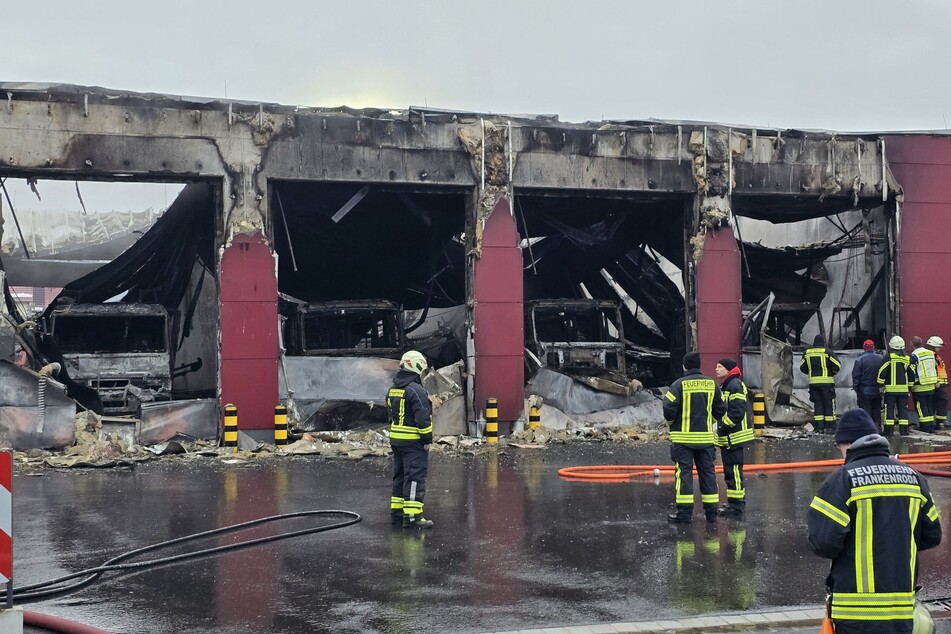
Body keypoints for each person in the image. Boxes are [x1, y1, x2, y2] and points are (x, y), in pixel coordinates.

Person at [807, 408, 942, 634]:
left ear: (846, 444)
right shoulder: (913, 478)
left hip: (855, 614)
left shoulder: (842, 480)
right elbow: (932, 535)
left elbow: (822, 542)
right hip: (902, 611)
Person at [663, 352, 726, 524]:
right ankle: (712, 513)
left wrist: (671, 423)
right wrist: (710, 420)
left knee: (684, 474)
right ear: (699, 365)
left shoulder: (677, 385)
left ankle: (684, 514)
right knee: (708, 474)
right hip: (705, 439)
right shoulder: (712, 384)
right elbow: (721, 408)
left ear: (684, 366)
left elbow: (668, 409)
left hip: (683, 440)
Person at [387, 350, 434, 529]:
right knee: (414, 477)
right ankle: (413, 517)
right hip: (413, 442)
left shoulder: (393, 390)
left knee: (399, 476)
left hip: (396, 441)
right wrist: (427, 439)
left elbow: (390, 414)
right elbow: (423, 418)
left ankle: (397, 513)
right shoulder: (417, 390)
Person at [714, 358, 754, 517]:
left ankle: (736, 506)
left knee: (734, 471)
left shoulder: (734, 385)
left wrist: (724, 428)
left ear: (728, 369)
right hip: (730, 437)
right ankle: (734, 502)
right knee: (730, 471)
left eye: (719, 366)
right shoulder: (727, 385)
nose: (716, 369)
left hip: (734, 437)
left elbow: (736, 412)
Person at [800, 334, 841, 434]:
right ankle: (830, 427)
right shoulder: (827, 352)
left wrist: (811, 373)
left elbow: (802, 367)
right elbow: (837, 365)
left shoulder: (807, 353)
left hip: (813, 383)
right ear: (823, 342)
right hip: (827, 383)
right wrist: (831, 372)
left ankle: (820, 426)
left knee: (818, 404)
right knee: (828, 404)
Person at [878, 335, 912, 437]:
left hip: (891, 391)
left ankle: (889, 431)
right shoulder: (907, 358)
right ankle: (904, 431)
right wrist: (909, 387)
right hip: (903, 391)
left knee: (889, 410)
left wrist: (880, 383)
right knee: (903, 410)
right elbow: (911, 374)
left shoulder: (889, 357)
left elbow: (882, 371)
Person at [851, 339, 883, 429]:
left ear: (864, 348)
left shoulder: (860, 360)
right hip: (878, 389)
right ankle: (877, 426)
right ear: (873, 347)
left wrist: (856, 388)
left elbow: (856, 376)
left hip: (864, 390)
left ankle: (867, 428)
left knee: (866, 410)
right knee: (876, 408)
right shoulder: (881, 358)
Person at [910, 336, 938, 433]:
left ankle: (925, 427)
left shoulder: (914, 355)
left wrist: (910, 384)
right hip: (930, 384)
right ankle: (931, 426)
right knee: (929, 405)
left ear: (912, 344)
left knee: (921, 407)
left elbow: (912, 370)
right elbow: (935, 366)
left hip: (920, 385)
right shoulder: (930, 353)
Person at [927, 336, 946, 430]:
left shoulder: (935, 356)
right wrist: (936, 381)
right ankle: (938, 423)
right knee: (939, 402)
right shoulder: (931, 356)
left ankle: (939, 422)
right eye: (939, 347)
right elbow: (932, 370)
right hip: (937, 384)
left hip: (940, 384)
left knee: (939, 402)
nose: (940, 349)